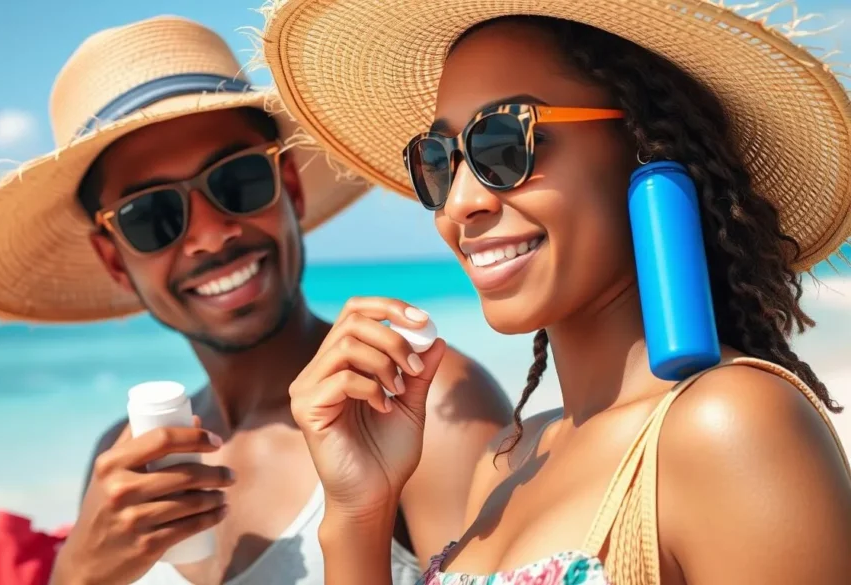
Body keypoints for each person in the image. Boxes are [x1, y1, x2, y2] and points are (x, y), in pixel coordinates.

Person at [257, 1, 851, 584]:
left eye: (503, 144)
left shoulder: (730, 426)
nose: (461, 202)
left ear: (645, 148)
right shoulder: (505, 463)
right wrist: (359, 513)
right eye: (438, 161)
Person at [0, 15, 515, 585]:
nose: (210, 235)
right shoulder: (124, 464)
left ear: (291, 188)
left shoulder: (420, 404)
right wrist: (77, 573)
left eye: (238, 181)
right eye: (151, 216)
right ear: (114, 258)